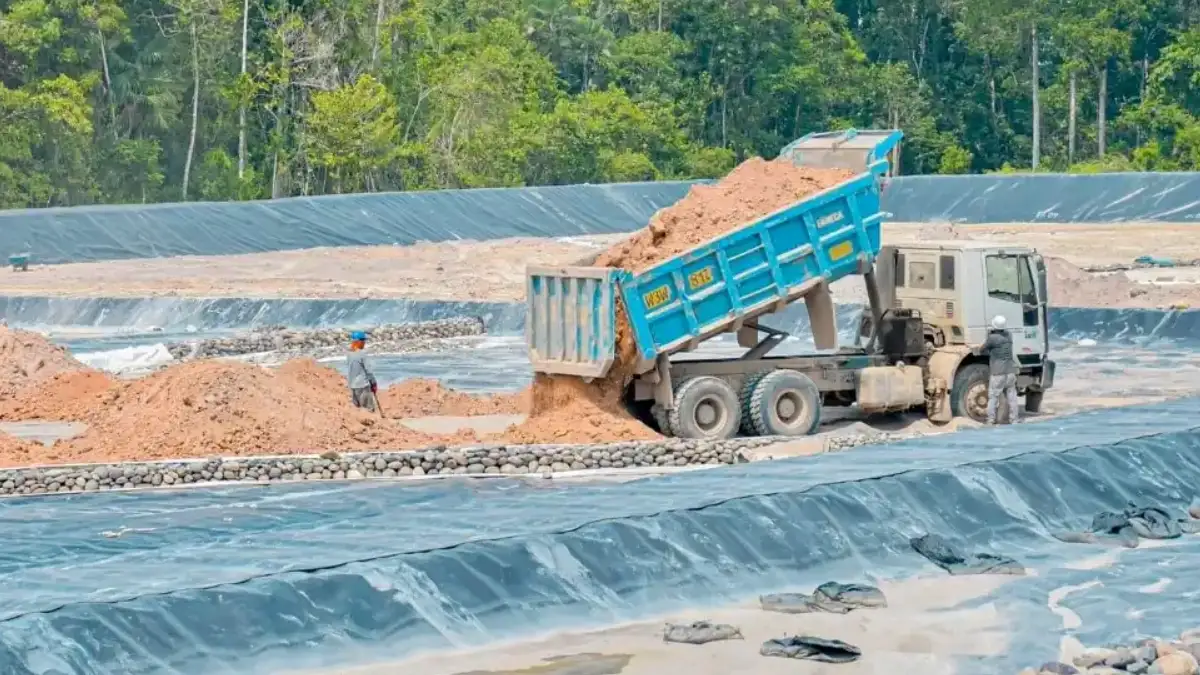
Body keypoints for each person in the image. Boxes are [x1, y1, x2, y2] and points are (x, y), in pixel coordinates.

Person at [974, 315, 1019, 425]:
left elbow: (981, 349)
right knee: (1012, 397)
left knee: (993, 397)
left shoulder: (992, 338)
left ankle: (991, 420)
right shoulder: (1009, 335)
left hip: (998, 372)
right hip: (1010, 371)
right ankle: (1014, 420)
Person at [346, 330, 379, 413]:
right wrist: (374, 383)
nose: (364, 343)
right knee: (369, 410)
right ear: (359, 341)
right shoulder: (362, 354)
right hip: (363, 385)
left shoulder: (349, 354)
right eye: (363, 340)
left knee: (357, 410)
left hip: (352, 386)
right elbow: (369, 371)